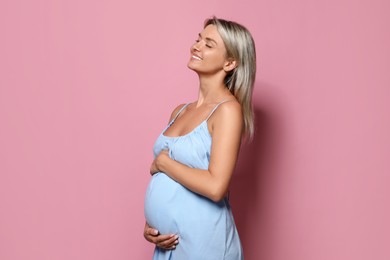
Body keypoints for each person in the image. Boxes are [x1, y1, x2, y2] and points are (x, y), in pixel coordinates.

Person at [143, 16, 256, 260]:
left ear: (229, 63)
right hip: (169, 246)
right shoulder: (180, 111)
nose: (196, 46)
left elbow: (216, 187)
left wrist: (163, 163)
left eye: (209, 44)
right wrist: (152, 223)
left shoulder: (227, 110)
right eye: (198, 39)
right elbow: (170, 183)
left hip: (204, 244)